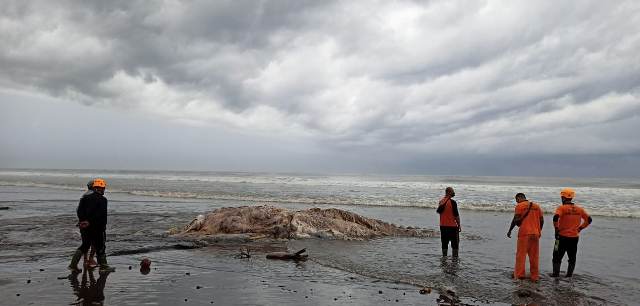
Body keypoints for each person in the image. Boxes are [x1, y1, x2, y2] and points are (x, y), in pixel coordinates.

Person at [68, 178, 115, 273]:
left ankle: (73, 265)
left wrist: (82, 221)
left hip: (84, 227)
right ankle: (104, 267)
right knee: (100, 247)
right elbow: (101, 215)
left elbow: (79, 211)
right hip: (97, 228)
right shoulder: (103, 200)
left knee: (85, 245)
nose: (103, 190)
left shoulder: (84, 198)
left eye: (104, 188)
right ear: (97, 188)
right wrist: (93, 223)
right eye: (102, 188)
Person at [551, 188, 592, 277]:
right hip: (574, 238)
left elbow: (555, 217)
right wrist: (580, 228)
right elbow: (589, 219)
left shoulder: (561, 208)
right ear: (571, 198)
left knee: (556, 257)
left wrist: (556, 229)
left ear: (563, 198)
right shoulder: (579, 209)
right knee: (572, 258)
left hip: (561, 237)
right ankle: (569, 276)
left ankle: (555, 275)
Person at [507, 193, 544, 282]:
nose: (516, 202)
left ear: (519, 198)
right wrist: (539, 231)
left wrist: (510, 230)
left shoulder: (520, 206)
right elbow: (542, 220)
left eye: (516, 200)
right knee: (534, 256)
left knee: (521, 255)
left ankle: (519, 275)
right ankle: (534, 276)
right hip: (535, 234)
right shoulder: (536, 206)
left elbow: (516, 219)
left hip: (524, 233)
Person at [436, 187, 461, 257]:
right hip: (452, 227)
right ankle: (455, 260)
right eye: (453, 191)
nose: (454, 193)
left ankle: (444, 259)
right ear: (449, 192)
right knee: (455, 245)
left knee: (444, 244)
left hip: (443, 226)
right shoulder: (453, 202)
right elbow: (456, 215)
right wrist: (459, 225)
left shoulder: (441, 201)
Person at [81, 180, 97, 269]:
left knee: (85, 242)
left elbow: (79, 210)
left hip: (83, 222)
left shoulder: (84, 195)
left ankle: (85, 260)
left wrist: (81, 220)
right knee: (94, 242)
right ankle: (91, 259)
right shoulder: (94, 196)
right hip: (91, 223)